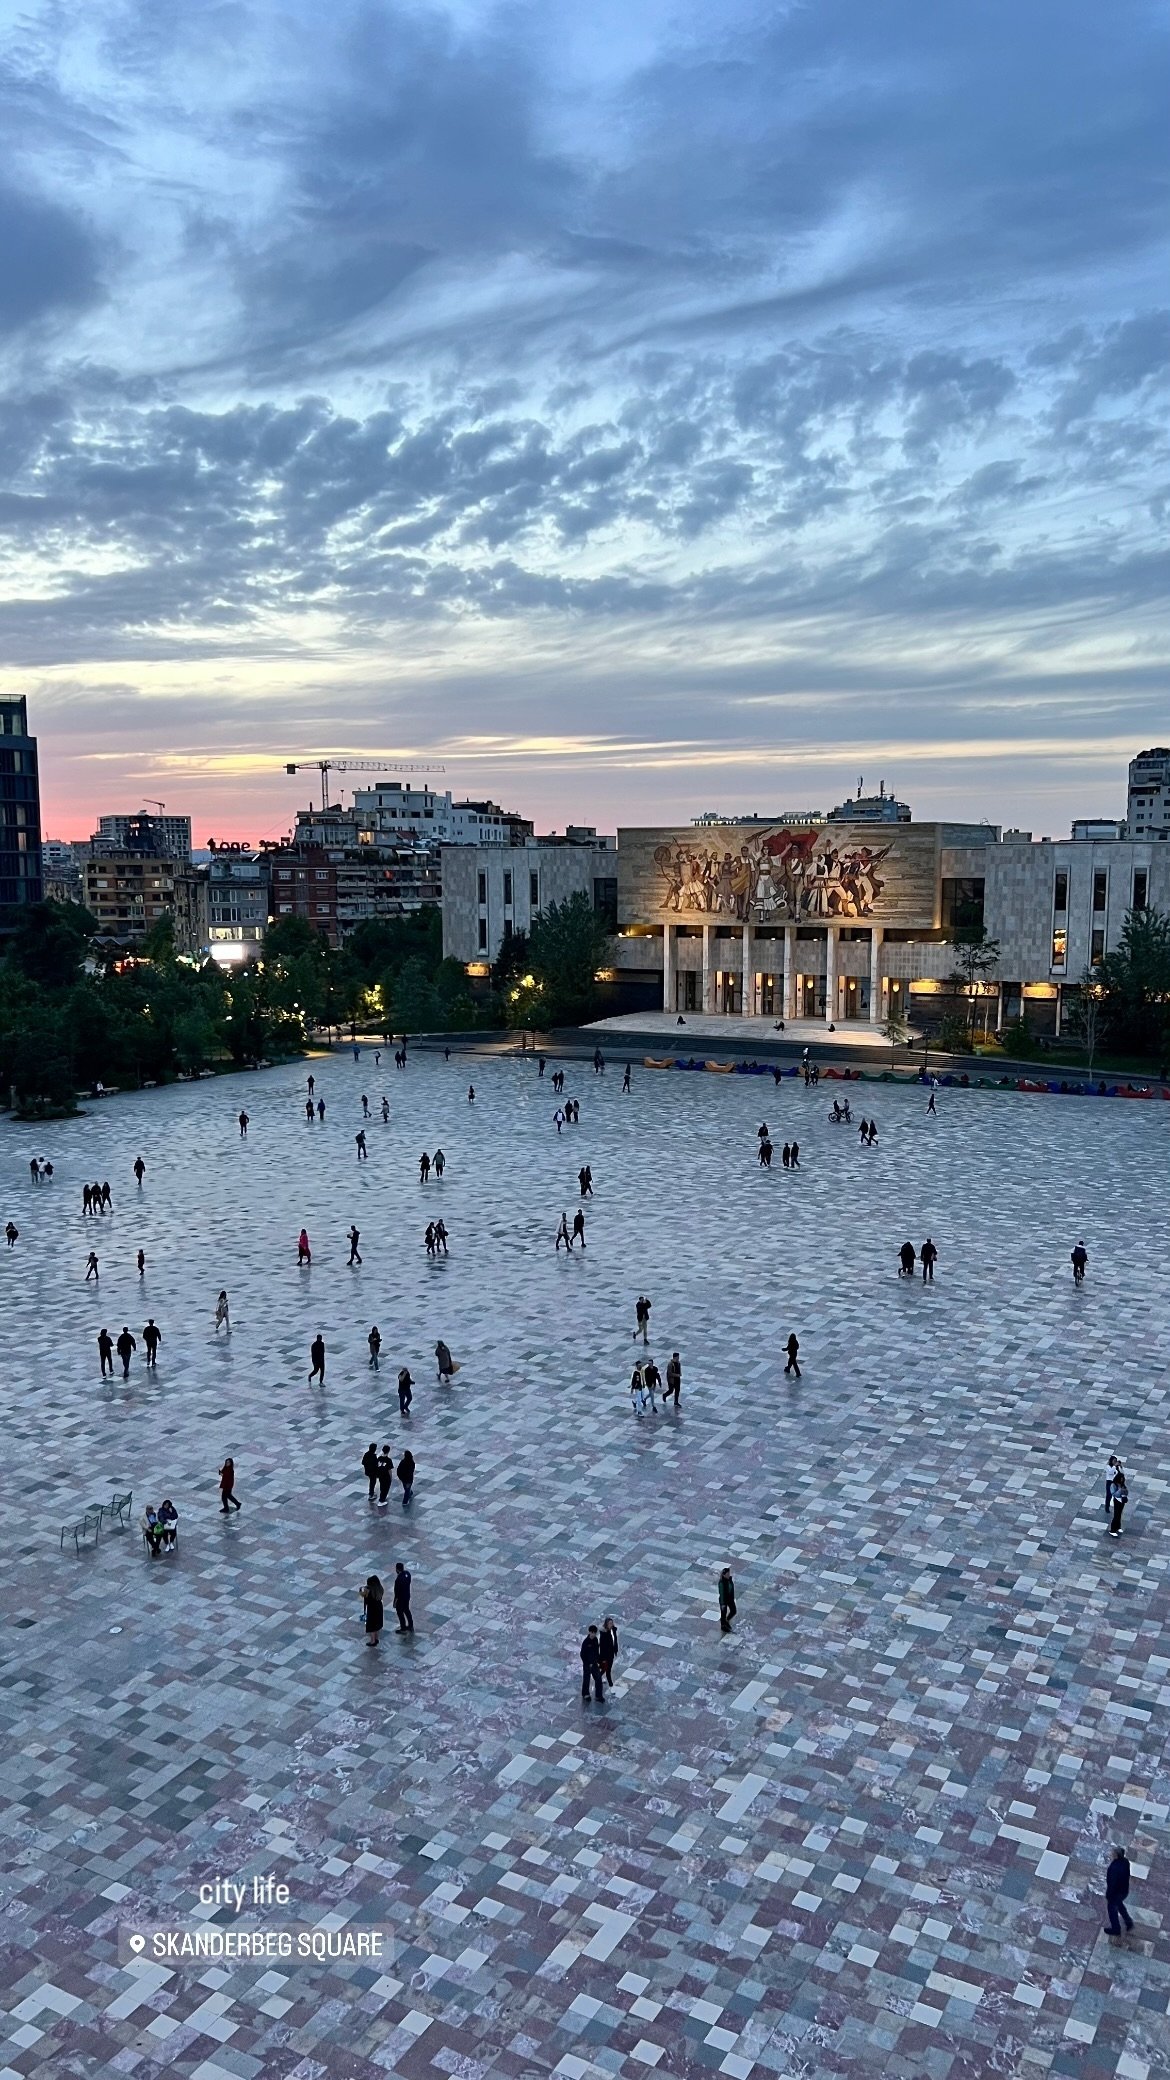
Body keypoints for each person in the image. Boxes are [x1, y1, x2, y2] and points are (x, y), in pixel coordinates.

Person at [1105, 1847, 1134, 1936]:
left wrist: (1109, 1895)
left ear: (1116, 1855)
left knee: (1112, 1910)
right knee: (1119, 1905)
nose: (1111, 1854)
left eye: (1112, 1853)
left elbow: (1113, 1883)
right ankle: (1129, 1922)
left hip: (1116, 1893)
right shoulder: (1125, 1862)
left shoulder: (1114, 1868)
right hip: (1124, 1890)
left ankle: (1116, 1929)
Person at [580, 1624, 604, 1701]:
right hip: (587, 1664)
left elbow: (597, 1651)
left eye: (595, 1633)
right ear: (589, 1632)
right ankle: (585, 1694)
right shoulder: (586, 1642)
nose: (593, 1634)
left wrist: (598, 1660)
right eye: (592, 1632)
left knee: (598, 1679)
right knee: (586, 1679)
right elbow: (582, 1654)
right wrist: (587, 1663)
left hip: (594, 1663)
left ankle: (598, 1696)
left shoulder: (596, 1640)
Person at [361, 1574, 384, 1647]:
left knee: (371, 1625)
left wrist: (363, 1590)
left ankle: (372, 1641)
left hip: (372, 1609)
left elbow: (363, 1596)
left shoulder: (369, 1592)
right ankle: (376, 1639)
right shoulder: (380, 1589)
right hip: (379, 1607)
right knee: (377, 1624)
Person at [393, 1561, 414, 1631]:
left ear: (397, 1569)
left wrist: (395, 1602)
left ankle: (403, 1627)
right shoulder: (407, 1574)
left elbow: (397, 1593)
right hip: (407, 1596)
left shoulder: (398, 1580)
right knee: (406, 1610)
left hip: (400, 1599)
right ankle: (411, 1625)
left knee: (400, 1612)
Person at [1108, 1468, 1128, 1538]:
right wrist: (1120, 1490)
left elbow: (1126, 1491)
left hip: (1122, 1500)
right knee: (1116, 1515)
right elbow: (1114, 1494)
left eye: (1123, 1478)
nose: (1122, 1480)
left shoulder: (1122, 1484)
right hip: (1117, 1501)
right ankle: (1112, 1530)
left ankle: (1118, 1527)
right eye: (1121, 1478)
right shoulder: (1113, 1485)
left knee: (1119, 1514)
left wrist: (1124, 1491)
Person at [599, 1616, 619, 1686]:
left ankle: (598, 1677)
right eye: (610, 1623)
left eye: (612, 1623)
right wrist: (603, 1658)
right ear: (606, 1624)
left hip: (611, 1654)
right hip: (606, 1656)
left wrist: (615, 1649)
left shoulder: (612, 1631)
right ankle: (610, 1683)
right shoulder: (604, 1635)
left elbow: (614, 1640)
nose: (611, 1625)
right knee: (606, 1669)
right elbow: (602, 1647)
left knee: (607, 1669)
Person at [718, 1566, 737, 1634]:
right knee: (723, 1613)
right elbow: (722, 1593)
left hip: (730, 1599)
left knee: (734, 1611)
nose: (729, 1575)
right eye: (727, 1574)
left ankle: (726, 1620)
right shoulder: (722, 1583)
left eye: (729, 1573)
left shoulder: (729, 1579)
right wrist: (723, 1604)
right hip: (724, 1600)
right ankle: (723, 1626)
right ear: (724, 1575)